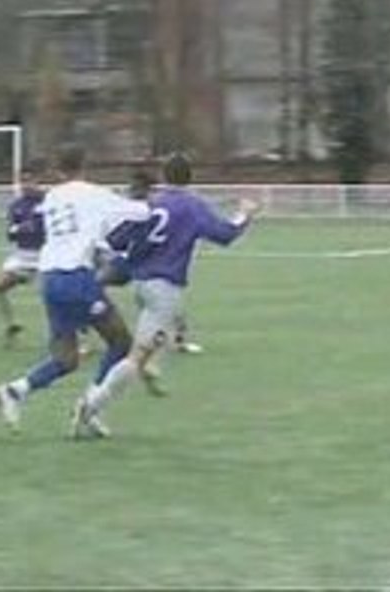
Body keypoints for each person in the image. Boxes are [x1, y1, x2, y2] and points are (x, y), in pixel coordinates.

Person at [70, 153, 259, 439]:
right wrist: (245, 213)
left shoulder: (152, 203)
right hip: (165, 288)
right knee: (136, 358)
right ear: (190, 177)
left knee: (146, 349)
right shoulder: (192, 206)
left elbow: (116, 239)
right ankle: (90, 407)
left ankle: (137, 377)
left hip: (142, 284)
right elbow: (225, 234)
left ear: (164, 176)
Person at [0, 143, 150, 433]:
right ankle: (89, 407)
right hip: (75, 276)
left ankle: (14, 391)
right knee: (121, 342)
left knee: (66, 359)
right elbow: (139, 212)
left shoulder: (52, 197)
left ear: (58, 169)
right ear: (84, 165)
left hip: (49, 278)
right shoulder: (92, 193)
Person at [98, 165, 204, 355]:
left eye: (135, 187)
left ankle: (176, 340)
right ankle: (90, 335)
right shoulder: (136, 207)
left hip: (139, 263)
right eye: (132, 186)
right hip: (129, 262)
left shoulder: (151, 208)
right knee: (92, 288)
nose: (132, 190)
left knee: (168, 302)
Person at [0, 162, 46, 345]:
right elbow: (10, 233)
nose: (25, 185)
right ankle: (11, 325)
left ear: (38, 181)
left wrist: (25, 229)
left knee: (56, 298)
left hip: (44, 256)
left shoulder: (47, 202)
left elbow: (43, 229)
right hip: (21, 256)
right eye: (22, 181)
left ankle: (81, 336)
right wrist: (22, 228)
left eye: (29, 181)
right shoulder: (16, 205)